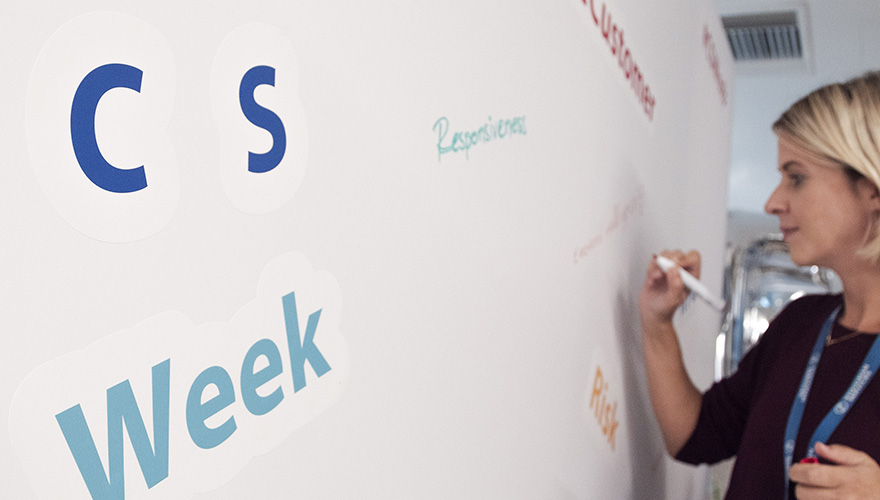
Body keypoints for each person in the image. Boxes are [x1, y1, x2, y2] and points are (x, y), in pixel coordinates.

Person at [640, 71, 880, 499]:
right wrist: (658, 323)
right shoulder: (801, 323)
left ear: (872, 189)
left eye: (797, 177)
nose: (772, 202)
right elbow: (694, 436)